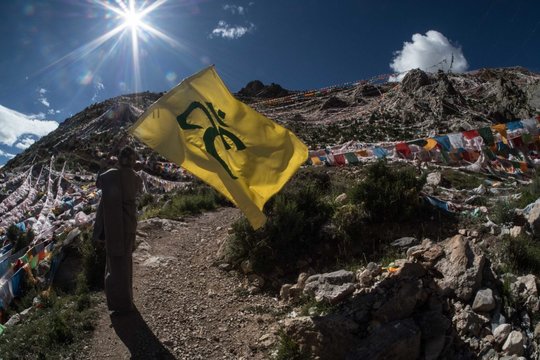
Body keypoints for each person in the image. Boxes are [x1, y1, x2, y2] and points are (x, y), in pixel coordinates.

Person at [93, 146, 143, 314]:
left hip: (113, 226)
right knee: (126, 262)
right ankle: (127, 300)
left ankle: (118, 303)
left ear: (119, 159)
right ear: (133, 160)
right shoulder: (137, 178)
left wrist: (102, 166)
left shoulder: (109, 176)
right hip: (129, 225)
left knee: (114, 264)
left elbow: (98, 183)